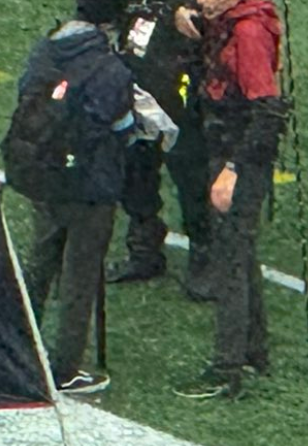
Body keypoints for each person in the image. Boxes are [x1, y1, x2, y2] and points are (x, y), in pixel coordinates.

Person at [2, 0, 139, 395]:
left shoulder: (47, 48)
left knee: (41, 260)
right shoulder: (110, 69)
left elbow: (27, 93)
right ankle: (65, 369)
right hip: (89, 185)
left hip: (43, 175)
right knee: (80, 275)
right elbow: (121, 126)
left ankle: (16, 341)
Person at [170, 0, 289, 399]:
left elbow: (268, 112)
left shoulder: (248, 33)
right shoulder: (227, 22)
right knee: (240, 252)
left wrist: (234, 169)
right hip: (226, 150)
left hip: (237, 158)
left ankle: (227, 367)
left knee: (231, 260)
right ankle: (254, 351)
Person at [109, 0, 214, 296]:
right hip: (137, 71)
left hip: (184, 77)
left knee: (190, 171)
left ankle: (204, 255)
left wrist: (177, 11)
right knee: (135, 164)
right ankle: (144, 247)